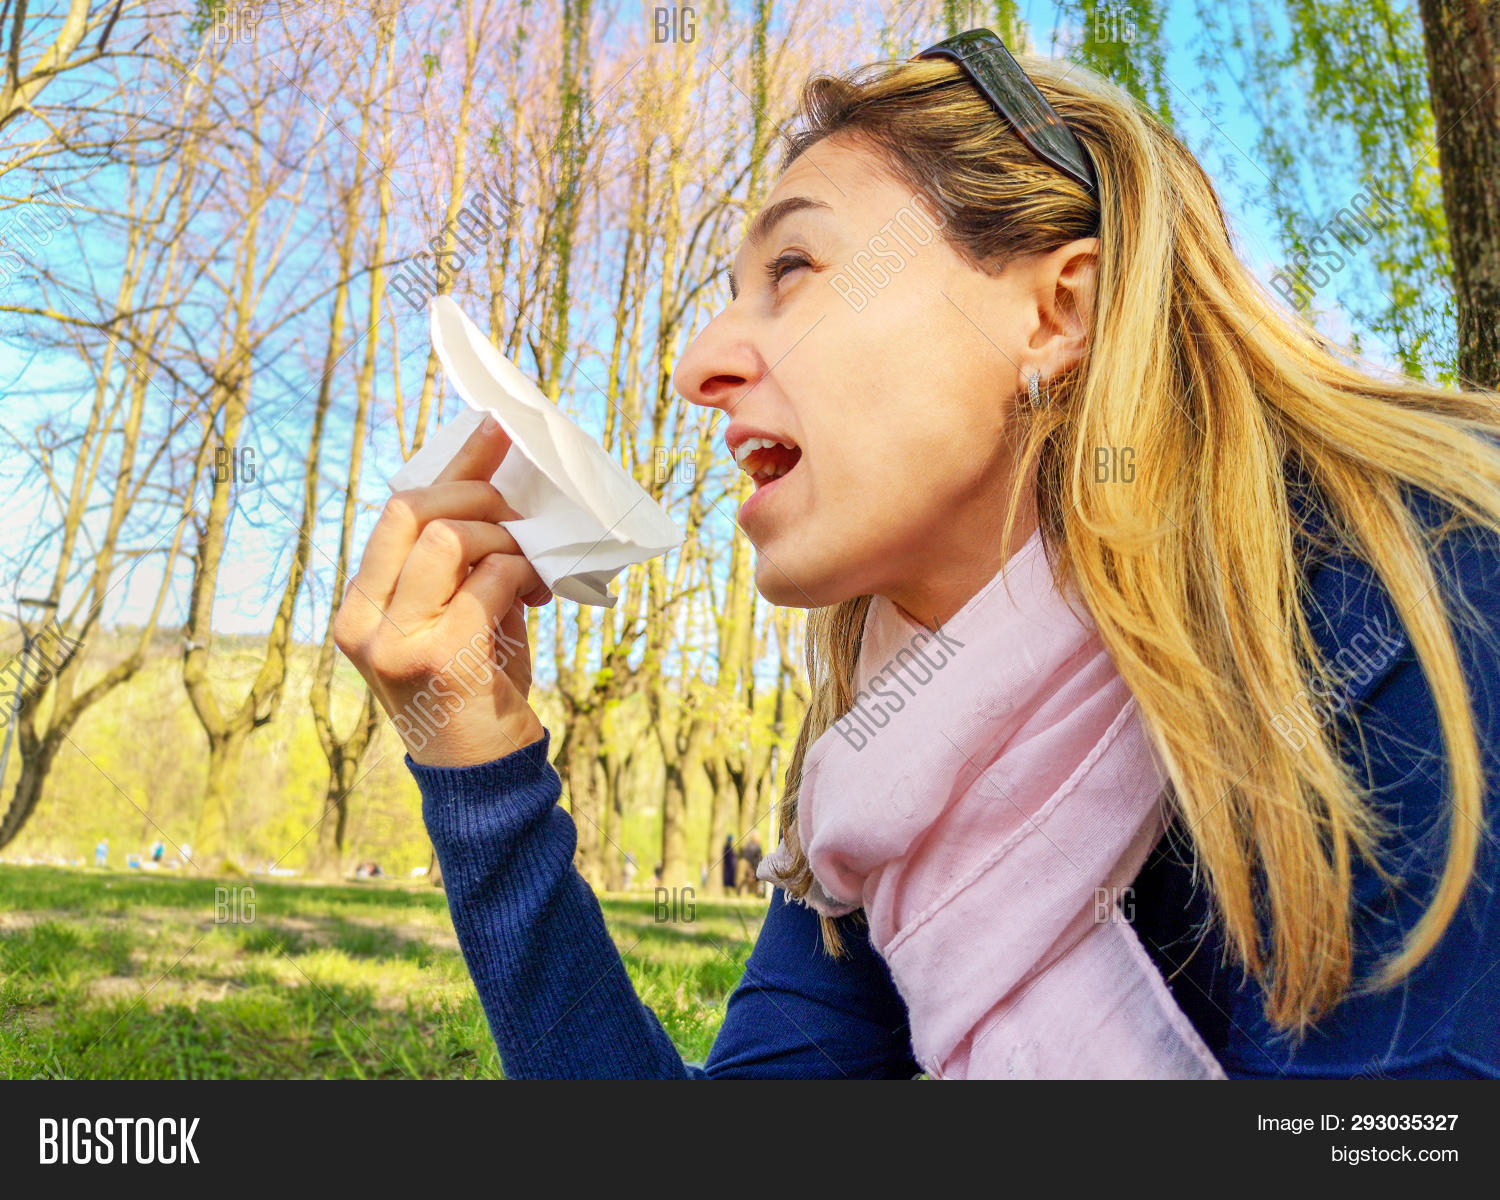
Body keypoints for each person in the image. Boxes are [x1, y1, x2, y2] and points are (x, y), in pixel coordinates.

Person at [336, 30, 1500, 1077]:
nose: (697, 365)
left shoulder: (1418, 583)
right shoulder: (892, 762)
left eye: (793, 271)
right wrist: (477, 765)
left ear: (1056, 315)